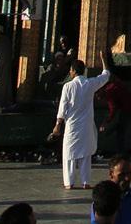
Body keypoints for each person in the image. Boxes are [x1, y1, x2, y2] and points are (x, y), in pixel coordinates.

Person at [51, 57, 111, 190]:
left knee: (69, 154)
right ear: (83, 71)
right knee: (85, 154)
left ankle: (69, 182)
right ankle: (86, 182)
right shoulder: (90, 84)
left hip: (72, 125)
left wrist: (57, 124)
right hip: (86, 125)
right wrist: (103, 60)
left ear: (72, 71)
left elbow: (63, 107)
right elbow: (105, 76)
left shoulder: (68, 86)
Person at [99, 74, 131, 157]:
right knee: (120, 129)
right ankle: (121, 152)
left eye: (98, 95)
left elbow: (113, 108)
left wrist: (106, 122)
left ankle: (121, 153)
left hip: (127, 110)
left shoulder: (109, 92)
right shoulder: (112, 87)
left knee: (120, 131)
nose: (98, 98)